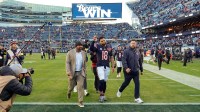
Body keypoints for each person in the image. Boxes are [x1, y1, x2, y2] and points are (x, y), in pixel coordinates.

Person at [90, 36, 115, 103]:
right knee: (101, 80)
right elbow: (91, 48)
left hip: (107, 66)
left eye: (104, 40)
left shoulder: (109, 46)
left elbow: (111, 57)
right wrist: (93, 41)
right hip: (99, 66)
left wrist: (113, 66)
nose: (103, 42)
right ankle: (101, 95)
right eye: (101, 41)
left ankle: (103, 94)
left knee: (104, 81)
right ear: (99, 42)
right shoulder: (97, 46)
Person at [66, 41, 87, 107]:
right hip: (72, 72)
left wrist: (84, 71)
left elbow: (84, 63)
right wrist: (68, 72)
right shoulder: (70, 52)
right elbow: (67, 63)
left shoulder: (84, 53)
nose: (81, 46)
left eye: (81, 45)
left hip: (80, 73)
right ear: (76, 46)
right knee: (71, 87)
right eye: (79, 45)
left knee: (80, 87)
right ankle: (69, 92)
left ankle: (80, 101)